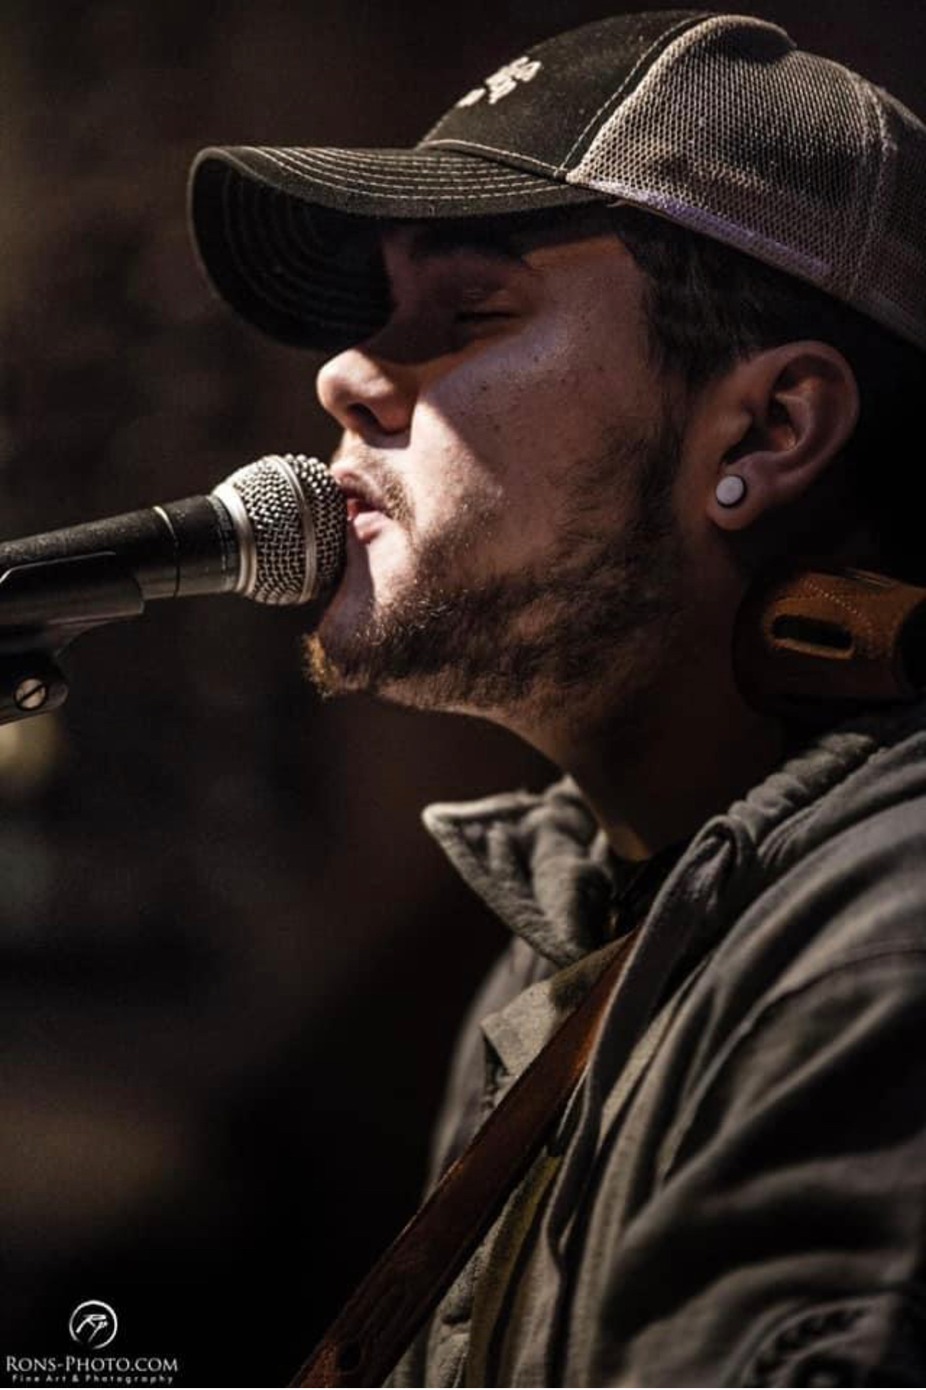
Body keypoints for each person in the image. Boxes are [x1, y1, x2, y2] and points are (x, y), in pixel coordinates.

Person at [188, 11, 926, 1385]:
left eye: (468, 313)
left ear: (768, 427)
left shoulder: (880, 949)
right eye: (375, 315)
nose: (343, 374)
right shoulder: (565, 928)